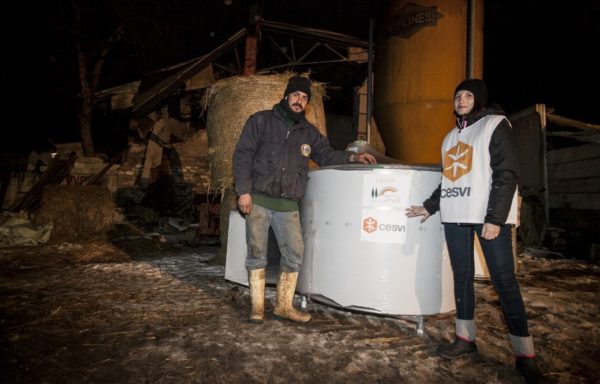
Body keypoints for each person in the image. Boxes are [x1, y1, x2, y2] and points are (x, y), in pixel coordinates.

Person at [405, 79, 547, 383]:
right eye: (458, 95)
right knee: (463, 278)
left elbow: (507, 173)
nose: (461, 99)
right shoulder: (450, 138)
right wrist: (430, 206)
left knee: (504, 283)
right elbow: (451, 179)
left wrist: (495, 218)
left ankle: (525, 355)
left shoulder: (495, 125)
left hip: (488, 219)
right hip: (456, 215)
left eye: (468, 95)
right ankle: (465, 340)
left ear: (479, 100)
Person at [233, 75, 376, 324]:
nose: (299, 101)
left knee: (295, 252)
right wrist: (243, 191)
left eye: (304, 98)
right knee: (257, 252)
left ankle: (283, 306)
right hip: (258, 199)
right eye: (296, 95)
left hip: (288, 203)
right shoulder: (261, 121)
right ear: (287, 96)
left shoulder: (308, 132)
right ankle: (257, 307)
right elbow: (243, 155)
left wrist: (353, 158)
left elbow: (326, 155)